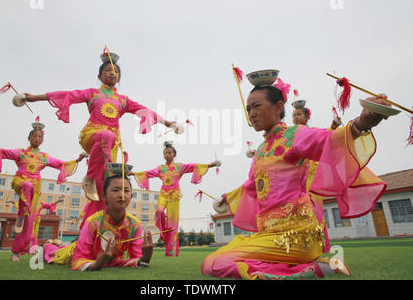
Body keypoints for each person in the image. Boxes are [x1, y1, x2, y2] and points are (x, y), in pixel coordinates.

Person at [202, 76, 389, 280]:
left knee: (217, 263)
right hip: (269, 235)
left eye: (256, 106)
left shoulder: (294, 135)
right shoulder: (261, 150)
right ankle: (318, 267)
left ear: (278, 107)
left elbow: (328, 140)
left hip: (298, 235)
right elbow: (251, 186)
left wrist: (361, 123)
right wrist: (227, 198)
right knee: (212, 261)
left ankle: (305, 270)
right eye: (248, 109)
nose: (251, 114)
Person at [22, 52, 179, 229]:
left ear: (119, 77)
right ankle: (89, 178)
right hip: (92, 136)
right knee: (107, 136)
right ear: (99, 76)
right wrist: (35, 97)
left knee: (105, 185)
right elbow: (68, 95)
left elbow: (145, 111)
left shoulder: (123, 100)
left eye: (115, 71)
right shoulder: (92, 93)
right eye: (107, 70)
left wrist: (167, 123)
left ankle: (93, 228)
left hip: (109, 147)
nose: (112, 73)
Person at [0, 123, 85, 261]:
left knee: (29, 221)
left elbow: (61, 164)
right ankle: (20, 215)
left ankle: (16, 251)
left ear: (42, 140)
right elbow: (1, 152)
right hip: (21, 181)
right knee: (27, 186)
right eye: (34, 136)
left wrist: (78, 159)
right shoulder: (20, 152)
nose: (37, 138)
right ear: (29, 138)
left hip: (35, 188)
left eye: (39, 136)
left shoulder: (44, 157)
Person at [43, 169, 154, 271]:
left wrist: (144, 259)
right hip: (72, 253)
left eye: (126, 191)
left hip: (108, 261)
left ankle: (56, 244)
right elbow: (78, 259)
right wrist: (97, 265)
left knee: (61, 247)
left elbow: (135, 259)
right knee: (53, 253)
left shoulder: (134, 224)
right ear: (104, 196)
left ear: (132, 195)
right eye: (115, 190)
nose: (122, 195)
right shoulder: (93, 222)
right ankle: (47, 245)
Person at [130, 141, 221, 257]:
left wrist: (209, 165)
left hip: (174, 196)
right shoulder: (160, 168)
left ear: (174, 154)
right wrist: (133, 174)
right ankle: (162, 232)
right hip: (163, 194)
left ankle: (170, 251)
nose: (167, 155)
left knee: (173, 225)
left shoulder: (179, 167)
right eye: (165, 153)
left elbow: (194, 166)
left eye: (169, 153)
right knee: (159, 212)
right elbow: (147, 173)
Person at [291, 100, 343, 253]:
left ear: (307, 117)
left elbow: (325, 137)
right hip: (294, 179)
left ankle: (319, 247)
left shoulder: (312, 132)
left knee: (315, 212)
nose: (295, 117)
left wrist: (333, 127)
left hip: (312, 178)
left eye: (299, 114)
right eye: (293, 115)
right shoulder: (290, 134)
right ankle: (298, 248)